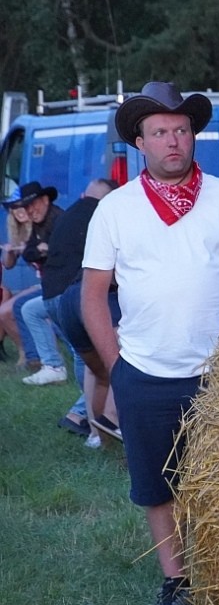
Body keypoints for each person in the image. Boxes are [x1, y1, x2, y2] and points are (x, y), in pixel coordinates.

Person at [81, 81, 219, 605]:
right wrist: (118, 368)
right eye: (160, 131)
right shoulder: (116, 209)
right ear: (139, 142)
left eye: (181, 130)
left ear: (193, 136)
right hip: (143, 369)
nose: (172, 141)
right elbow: (93, 296)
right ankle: (177, 582)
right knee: (156, 484)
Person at [42, 178, 120, 437]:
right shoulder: (108, 215)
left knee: (95, 370)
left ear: (85, 193)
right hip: (88, 298)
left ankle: (95, 435)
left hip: (58, 300)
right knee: (121, 364)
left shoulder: (68, 213)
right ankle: (104, 421)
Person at [8, 181, 68, 383]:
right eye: (26, 207)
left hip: (68, 288)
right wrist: (41, 250)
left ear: (45, 200)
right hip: (53, 287)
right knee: (27, 309)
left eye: (32, 204)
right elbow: (28, 253)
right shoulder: (38, 226)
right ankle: (50, 364)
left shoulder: (60, 220)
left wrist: (46, 250)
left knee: (51, 315)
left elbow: (64, 256)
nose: (29, 211)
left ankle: (57, 364)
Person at [0, 198, 36, 365]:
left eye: (21, 207)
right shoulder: (19, 231)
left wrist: (31, 251)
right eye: (14, 209)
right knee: (5, 302)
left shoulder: (40, 228)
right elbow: (8, 265)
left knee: (7, 308)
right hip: (42, 283)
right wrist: (9, 251)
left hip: (50, 283)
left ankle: (31, 354)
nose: (18, 211)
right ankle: (27, 352)